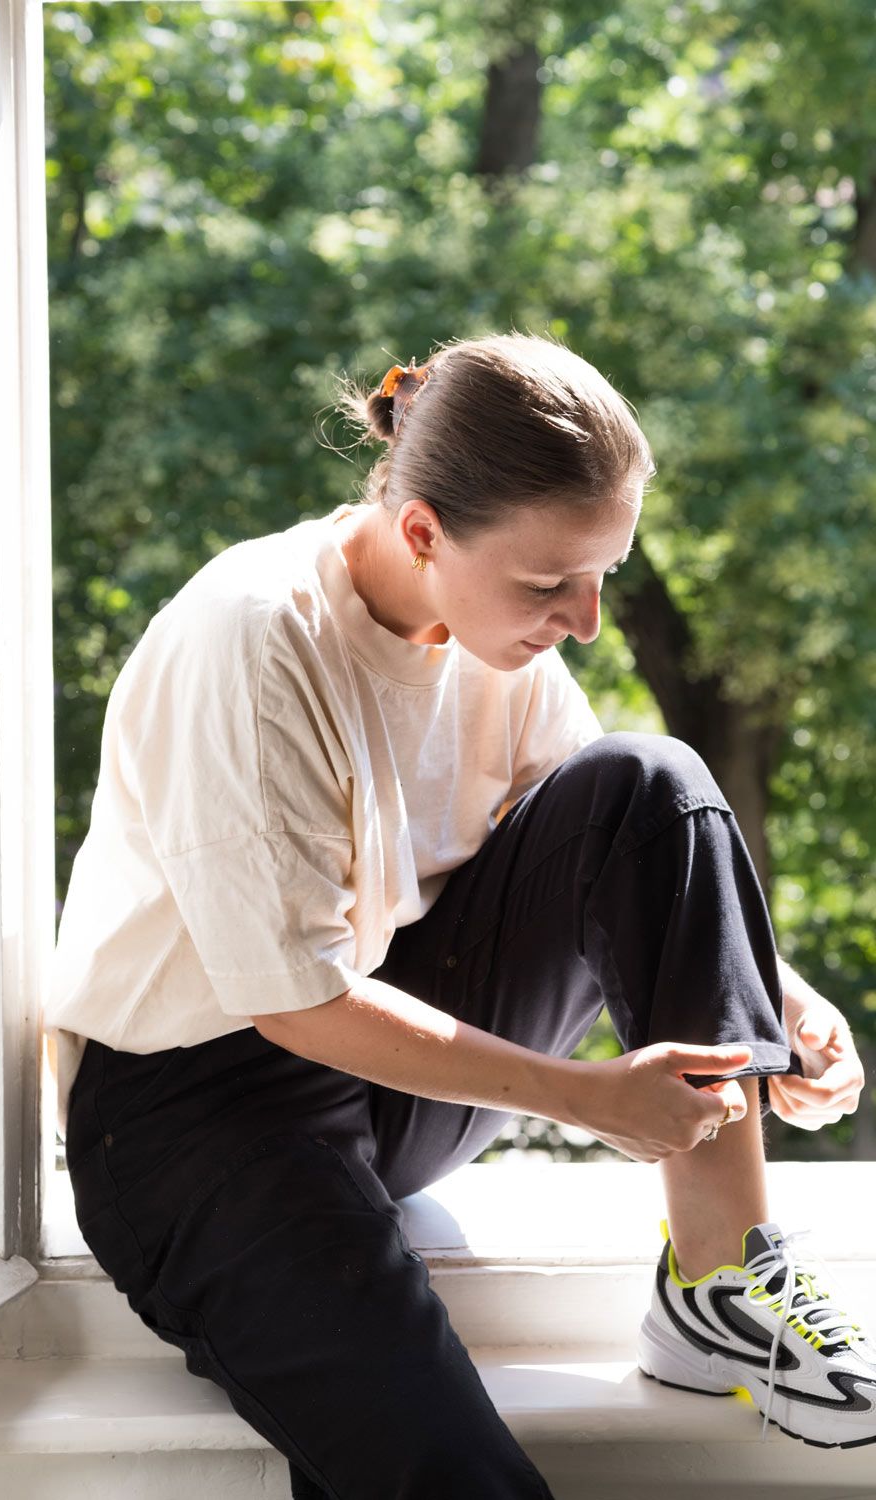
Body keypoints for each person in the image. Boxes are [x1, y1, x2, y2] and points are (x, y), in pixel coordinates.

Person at [46, 331, 872, 1499]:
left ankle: (719, 1285)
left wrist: (773, 997)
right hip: (195, 1118)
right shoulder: (253, 635)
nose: (585, 619)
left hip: (388, 1079)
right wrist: (586, 1101)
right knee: (455, 1480)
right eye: (549, 585)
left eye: (604, 576)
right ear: (423, 529)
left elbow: (624, 848)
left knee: (658, 783)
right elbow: (295, 1002)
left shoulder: (497, 627)